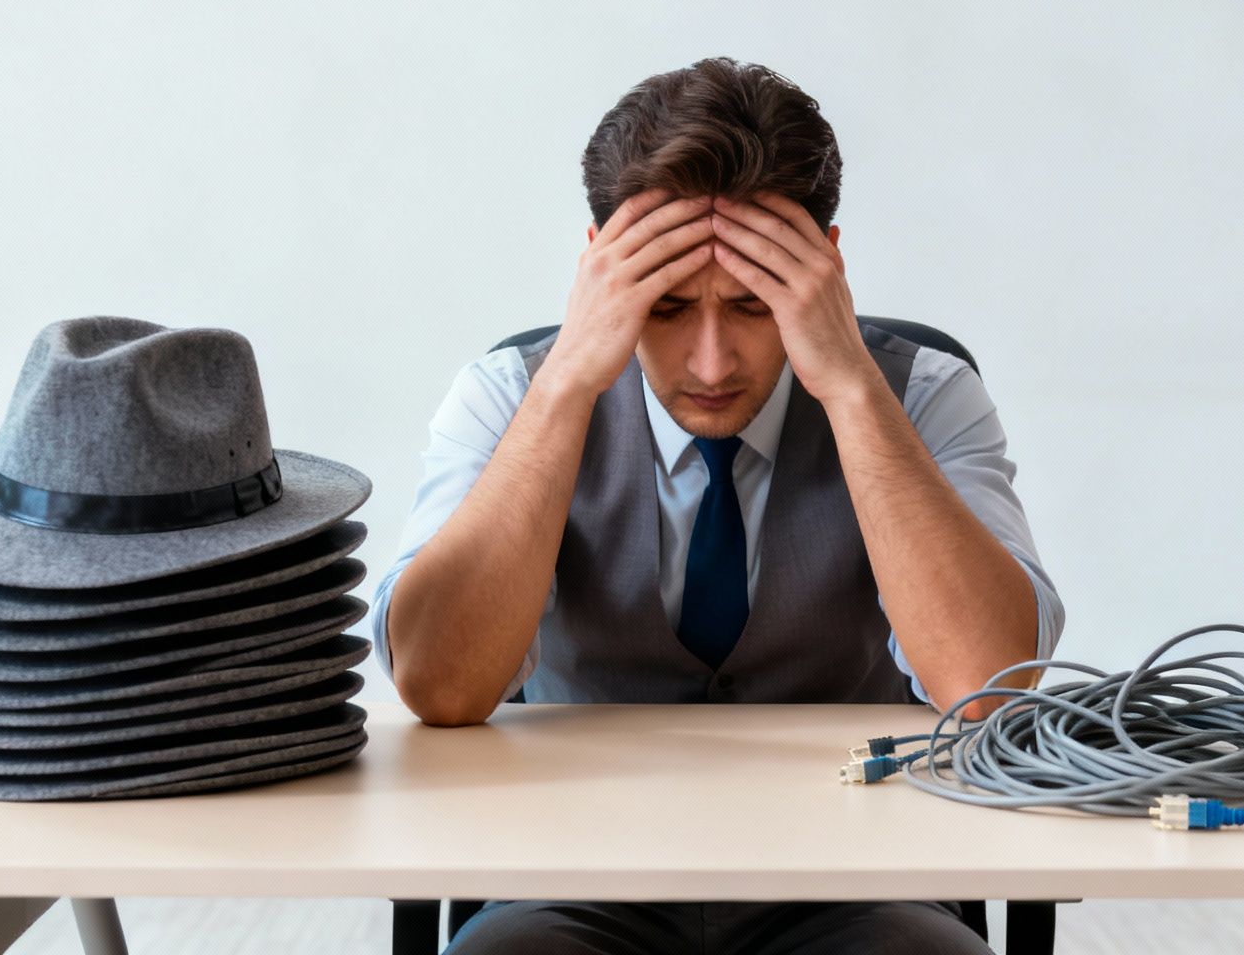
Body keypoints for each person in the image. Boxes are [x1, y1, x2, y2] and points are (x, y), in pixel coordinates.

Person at [372, 57, 1064, 954]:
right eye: (663, 306)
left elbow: (987, 691)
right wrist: (571, 382)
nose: (710, 363)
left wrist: (851, 385)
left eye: (752, 304)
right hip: (570, 882)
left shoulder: (924, 396)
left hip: (856, 887)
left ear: (826, 269)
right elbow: (440, 686)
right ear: (597, 272)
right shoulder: (508, 395)